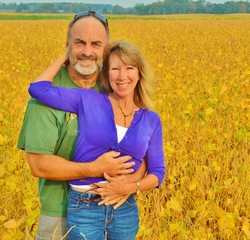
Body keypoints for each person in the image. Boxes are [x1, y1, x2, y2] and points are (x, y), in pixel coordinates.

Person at [17, 11, 145, 239]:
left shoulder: (117, 88)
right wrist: (94, 168)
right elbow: (39, 165)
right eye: (79, 43)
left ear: (107, 49)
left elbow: (144, 154)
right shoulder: (47, 96)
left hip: (115, 210)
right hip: (61, 214)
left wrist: (129, 184)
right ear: (68, 46)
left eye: (96, 44)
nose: (87, 51)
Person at [28, 40, 166, 239]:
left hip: (124, 208)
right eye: (115, 68)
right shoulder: (88, 100)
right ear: (106, 73)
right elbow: (38, 89)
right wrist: (67, 56)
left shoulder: (151, 119)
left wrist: (130, 187)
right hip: (85, 207)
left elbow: (157, 172)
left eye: (129, 68)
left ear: (139, 73)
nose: (122, 76)